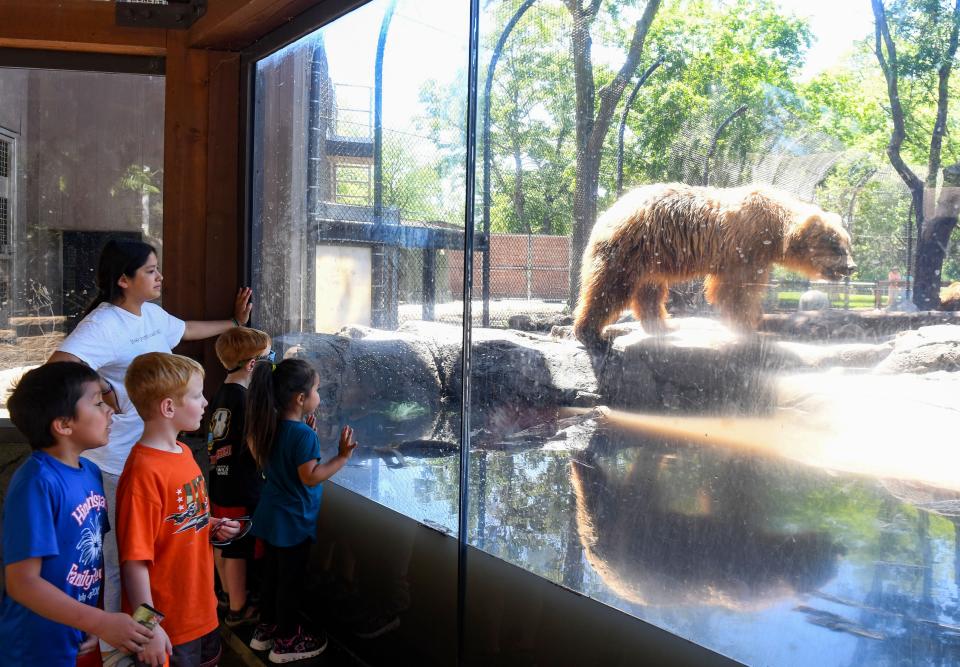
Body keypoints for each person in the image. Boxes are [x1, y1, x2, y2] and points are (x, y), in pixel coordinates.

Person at [46, 238, 252, 656]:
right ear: (123, 279)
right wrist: (104, 387)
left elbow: (187, 330)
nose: (160, 277)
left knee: (157, 544)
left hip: (159, 450)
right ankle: (121, 648)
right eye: (151, 271)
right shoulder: (105, 323)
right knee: (123, 559)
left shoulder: (152, 316)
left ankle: (146, 635)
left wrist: (233, 322)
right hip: (118, 461)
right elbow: (59, 364)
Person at [0, 363, 153, 666]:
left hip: (72, 633)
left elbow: (86, 559)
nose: (110, 410)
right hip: (33, 647)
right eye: (97, 403)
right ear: (64, 425)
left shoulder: (91, 472)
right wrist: (98, 620)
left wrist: (87, 623)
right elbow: (22, 582)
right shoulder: (37, 483)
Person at [116, 352, 240, 667]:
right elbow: (134, 562)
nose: (205, 403)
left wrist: (211, 524)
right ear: (168, 407)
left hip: (202, 609)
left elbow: (177, 520)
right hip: (168, 627)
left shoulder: (183, 451)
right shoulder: (142, 473)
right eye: (197, 396)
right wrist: (147, 628)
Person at [246, 358, 357, 663]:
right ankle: (287, 641)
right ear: (300, 398)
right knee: (290, 583)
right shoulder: (303, 435)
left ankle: (264, 631)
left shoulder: (270, 425)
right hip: (293, 521)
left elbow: (273, 459)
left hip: (270, 516)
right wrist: (342, 457)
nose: (319, 396)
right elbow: (310, 476)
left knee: (272, 577)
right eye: (317, 390)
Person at [206, 326, 272, 628]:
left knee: (222, 541)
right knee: (237, 549)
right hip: (240, 487)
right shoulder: (245, 400)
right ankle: (238, 607)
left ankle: (223, 595)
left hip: (220, 483)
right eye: (268, 358)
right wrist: (270, 468)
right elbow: (255, 446)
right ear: (252, 365)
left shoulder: (221, 393)